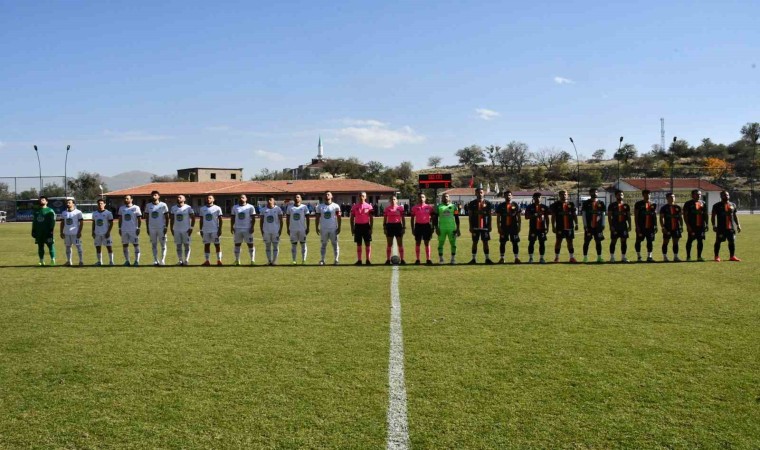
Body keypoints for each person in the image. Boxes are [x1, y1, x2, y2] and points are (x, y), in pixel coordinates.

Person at [711, 190, 742, 262]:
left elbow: (734, 216)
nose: (726, 196)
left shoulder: (733, 205)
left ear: (729, 196)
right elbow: (713, 216)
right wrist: (714, 225)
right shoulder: (716, 205)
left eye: (727, 195)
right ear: (721, 196)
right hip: (721, 228)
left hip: (731, 228)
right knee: (718, 241)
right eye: (724, 195)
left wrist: (738, 225)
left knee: (732, 241)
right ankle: (716, 256)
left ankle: (732, 256)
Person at [550, 190, 578, 263]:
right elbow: (553, 216)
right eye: (562, 194)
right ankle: (557, 258)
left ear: (567, 195)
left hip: (569, 226)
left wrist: (576, 224)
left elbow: (574, 215)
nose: (564, 196)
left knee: (570, 242)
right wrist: (553, 226)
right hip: (560, 227)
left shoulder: (571, 204)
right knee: (558, 241)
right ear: (559, 196)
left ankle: (571, 258)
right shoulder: (556, 204)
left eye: (565, 194)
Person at [467, 187, 494, 264]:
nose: (480, 194)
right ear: (475, 193)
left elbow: (489, 215)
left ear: (484, 193)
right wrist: (470, 226)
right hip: (475, 226)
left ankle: (487, 259)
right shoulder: (472, 203)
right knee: (475, 242)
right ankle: (473, 259)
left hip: (485, 227)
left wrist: (490, 225)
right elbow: (470, 216)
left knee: (485, 242)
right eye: (478, 192)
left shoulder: (488, 203)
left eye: (481, 192)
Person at [495, 190, 521, 264]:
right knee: (502, 243)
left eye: (509, 195)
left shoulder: (515, 205)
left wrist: (519, 226)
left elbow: (519, 217)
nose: (508, 196)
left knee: (515, 243)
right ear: (504, 196)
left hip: (514, 227)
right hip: (504, 227)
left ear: (512, 196)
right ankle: (502, 258)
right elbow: (498, 217)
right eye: (506, 195)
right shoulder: (501, 206)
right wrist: (499, 227)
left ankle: (516, 258)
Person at [433, 192, 460, 264]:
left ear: (449, 198)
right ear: (442, 198)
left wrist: (458, 228)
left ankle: (453, 259)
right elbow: (435, 218)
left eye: (447, 196)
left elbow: (457, 218)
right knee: (441, 243)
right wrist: (436, 228)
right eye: (444, 197)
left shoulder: (454, 206)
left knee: (453, 244)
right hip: (442, 228)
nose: (445, 198)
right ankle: (441, 259)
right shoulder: (439, 207)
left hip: (452, 228)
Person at [315, 191, 342, 265]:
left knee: (335, 244)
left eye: (328, 194)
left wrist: (339, 227)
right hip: (323, 229)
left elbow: (339, 218)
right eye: (326, 194)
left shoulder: (336, 206)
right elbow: (317, 218)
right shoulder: (319, 207)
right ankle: (322, 260)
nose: (327, 195)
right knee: (323, 244)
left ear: (331, 196)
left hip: (333, 229)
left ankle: (336, 260)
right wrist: (316, 227)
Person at [580, 188, 606, 263]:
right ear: (590, 193)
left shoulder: (601, 203)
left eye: (596, 192)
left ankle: (599, 257)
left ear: (598, 193)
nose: (594, 193)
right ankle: (585, 258)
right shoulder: (586, 203)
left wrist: (603, 224)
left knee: (598, 241)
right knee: (587, 241)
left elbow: (603, 214)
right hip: (589, 226)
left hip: (598, 226)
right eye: (593, 192)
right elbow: (584, 214)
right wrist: (585, 225)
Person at [144, 190, 169, 266]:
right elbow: (147, 218)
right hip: (152, 228)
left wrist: (166, 227)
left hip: (161, 228)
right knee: (154, 244)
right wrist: (147, 228)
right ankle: (155, 260)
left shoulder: (163, 205)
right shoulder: (148, 206)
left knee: (163, 245)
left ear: (158, 196)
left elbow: (167, 217)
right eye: (152, 195)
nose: (153, 196)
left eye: (155, 195)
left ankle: (162, 260)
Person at [682, 189, 708, 261]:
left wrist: (707, 224)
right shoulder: (688, 203)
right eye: (696, 194)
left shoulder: (703, 203)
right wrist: (688, 225)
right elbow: (685, 215)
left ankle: (699, 257)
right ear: (692, 195)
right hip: (692, 226)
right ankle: (688, 257)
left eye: (699, 194)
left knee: (700, 241)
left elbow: (705, 214)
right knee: (690, 240)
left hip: (701, 226)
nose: (698, 195)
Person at [169, 194, 195, 265]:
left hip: (186, 230)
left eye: (180, 197)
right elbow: (172, 219)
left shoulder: (188, 208)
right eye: (177, 197)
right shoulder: (173, 208)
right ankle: (180, 260)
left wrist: (191, 228)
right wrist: (171, 228)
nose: (178, 198)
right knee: (178, 245)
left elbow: (193, 218)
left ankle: (186, 260)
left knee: (187, 245)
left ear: (184, 199)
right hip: (176, 230)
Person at [231, 194, 256, 265]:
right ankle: (237, 260)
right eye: (240, 198)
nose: (241, 199)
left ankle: (252, 260)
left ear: (246, 199)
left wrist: (252, 227)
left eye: (243, 197)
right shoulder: (235, 207)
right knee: (237, 244)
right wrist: (231, 226)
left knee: (250, 244)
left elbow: (253, 218)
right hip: (237, 229)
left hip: (247, 228)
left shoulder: (250, 207)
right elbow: (232, 218)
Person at [524, 192, 549, 264]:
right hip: (533, 228)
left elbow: (547, 218)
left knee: (542, 243)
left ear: (541, 198)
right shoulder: (529, 207)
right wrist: (535, 215)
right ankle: (531, 258)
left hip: (542, 228)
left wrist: (547, 227)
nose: (538, 198)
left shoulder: (544, 207)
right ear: (533, 198)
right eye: (536, 197)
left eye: (539, 197)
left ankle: (542, 258)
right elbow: (526, 217)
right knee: (531, 242)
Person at [607, 190, 632, 263]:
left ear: (623, 196)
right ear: (616, 196)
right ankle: (612, 258)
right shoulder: (612, 205)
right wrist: (611, 226)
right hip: (615, 226)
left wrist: (630, 226)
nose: (620, 196)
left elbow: (628, 217)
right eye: (618, 195)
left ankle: (623, 257)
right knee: (613, 241)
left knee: (624, 242)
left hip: (623, 226)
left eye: (621, 195)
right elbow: (609, 217)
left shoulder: (626, 206)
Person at [118, 194, 142, 266]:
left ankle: (136, 261)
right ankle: (127, 261)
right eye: (125, 198)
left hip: (133, 230)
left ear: (131, 199)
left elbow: (139, 219)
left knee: (136, 245)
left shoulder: (136, 208)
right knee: (125, 245)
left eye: (127, 198)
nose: (126, 200)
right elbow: (120, 219)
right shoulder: (121, 208)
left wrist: (138, 228)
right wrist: (119, 228)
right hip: (124, 230)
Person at [633, 189, 657, 263]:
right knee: (638, 241)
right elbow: (636, 216)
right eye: (646, 195)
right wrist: (637, 226)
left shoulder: (653, 204)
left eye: (649, 194)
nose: (647, 196)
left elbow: (654, 215)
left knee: (650, 241)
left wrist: (656, 225)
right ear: (643, 195)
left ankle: (649, 257)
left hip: (650, 227)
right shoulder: (638, 204)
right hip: (641, 226)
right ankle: (639, 257)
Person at [32, 196, 57, 266]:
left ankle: (53, 260)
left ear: (46, 202)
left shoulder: (50, 211)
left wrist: (51, 230)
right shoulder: (36, 211)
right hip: (39, 232)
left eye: (43, 200)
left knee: (50, 245)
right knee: (40, 246)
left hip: (48, 232)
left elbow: (53, 221)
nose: (41, 201)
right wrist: (33, 230)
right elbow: (34, 222)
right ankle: (41, 260)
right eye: (40, 200)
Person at [351, 191, 374, 265]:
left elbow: (371, 218)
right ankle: (359, 260)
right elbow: (351, 218)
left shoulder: (369, 206)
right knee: (359, 244)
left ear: (365, 197)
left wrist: (371, 227)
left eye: (363, 196)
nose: (361, 197)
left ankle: (368, 260)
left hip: (366, 226)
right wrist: (352, 228)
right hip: (358, 226)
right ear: (358, 197)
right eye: (360, 195)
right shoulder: (354, 207)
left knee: (367, 243)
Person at [410, 192, 434, 265]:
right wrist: (412, 228)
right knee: (418, 243)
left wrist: (432, 227)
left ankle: (428, 259)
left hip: (426, 226)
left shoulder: (429, 207)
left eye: (423, 197)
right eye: (420, 197)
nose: (421, 199)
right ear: (418, 198)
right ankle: (418, 259)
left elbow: (433, 218)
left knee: (427, 243)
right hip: (418, 226)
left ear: (425, 198)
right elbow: (412, 219)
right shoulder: (414, 208)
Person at [199, 194, 223, 266]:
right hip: (205, 230)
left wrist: (220, 229)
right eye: (207, 198)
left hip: (215, 230)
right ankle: (207, 261)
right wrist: (201, 229)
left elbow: (220, 219)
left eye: (210, 198)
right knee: (206, 245)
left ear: (213, 199)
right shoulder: (202, 209)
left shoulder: (217, 208)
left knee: (217, 245)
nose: (208, 199)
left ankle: (219, 260)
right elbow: (201, 220)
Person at [659, 193, 683, 262]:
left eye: (673, 197)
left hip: (676, 228)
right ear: (667, 198)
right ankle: (665, 257)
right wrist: (663, 227)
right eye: (670, 197)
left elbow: (680, 218)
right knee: (665, 242)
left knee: (675, 242)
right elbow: (661, 218)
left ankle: (675, 257)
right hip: (667, 228)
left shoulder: (678, 207)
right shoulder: (664, 208)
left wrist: (681, 226)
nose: (672, 198)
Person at [286, 194, 310, 264]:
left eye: (298, 197)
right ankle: (294, 260)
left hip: (302, 229)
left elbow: (308, 218)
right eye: (295, 197)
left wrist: (308, 227)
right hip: (293, 230)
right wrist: (288, 228)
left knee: (303, 244)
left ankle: (303, 260)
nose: (296, 198)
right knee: (293, 245)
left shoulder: (304, 207)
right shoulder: (290, 207)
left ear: (301, 199)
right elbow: (287, 219)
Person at [60, 199, 84, 266]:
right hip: (67, 233)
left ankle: (81, 261)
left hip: (75, 233)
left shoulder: (78, 212)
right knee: (68, 247)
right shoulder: (64, 213)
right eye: (67, 203)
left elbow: (81, 223)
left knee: (79, 247)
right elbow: (62, 223)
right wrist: (61, 232)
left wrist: (79, 232)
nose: (68, 204)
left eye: (69, 203)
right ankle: (69, 261)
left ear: (73, 204)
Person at [260, 196, 284, 265]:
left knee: (275, 246)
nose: (269, 201)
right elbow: (261, 221)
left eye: (270, 199)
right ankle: (269, 261)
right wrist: (262, 231)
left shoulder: (278, 209)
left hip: (275, 231)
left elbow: (281, 221)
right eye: (268, 199)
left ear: (274, 201)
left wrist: (280, 230)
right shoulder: (263, 210)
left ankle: (274, 261)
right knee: (267, 246)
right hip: (266, 231)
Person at [383, 194, 407, 265]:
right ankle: (388, 260)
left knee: (400, 244)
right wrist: (384, 228)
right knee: (389, 244)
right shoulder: (387, 209)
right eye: (391, 199)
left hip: (398, 226)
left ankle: (402, 259)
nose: (393, 201)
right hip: (389, 226)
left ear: (397, 200)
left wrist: (403, 227)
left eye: (394, 199)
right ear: (389, 201)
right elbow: (385, 219)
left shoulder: (400, 208)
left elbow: (403, 219)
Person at [92, 198, 115, 266]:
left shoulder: (108, 213)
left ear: (104, 204)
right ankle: (99, 261)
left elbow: (111, 223)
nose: (100, 205)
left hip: (105, 233)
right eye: (99, 203)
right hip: (97, 233)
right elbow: (94, 223)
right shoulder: (94, 213)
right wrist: (93, 232)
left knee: (109, 247)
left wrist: (108, 232)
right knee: (98, 247)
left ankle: (111, 261)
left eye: (101, 203)